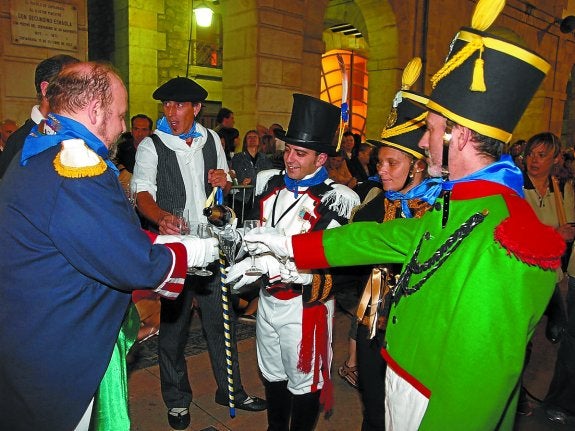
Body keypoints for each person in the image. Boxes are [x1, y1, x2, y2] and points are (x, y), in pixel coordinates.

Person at [243, 1, 565, 429]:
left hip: (431, 404)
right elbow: (380, 238)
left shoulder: (509, 236)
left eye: (430, 131)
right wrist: (287, 247)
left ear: (458, 136)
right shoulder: (463, 203)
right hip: (403, 385)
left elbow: (476, 387)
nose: (424, 142)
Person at [0, 62, 218, 431]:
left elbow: (94, 237)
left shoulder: (38, 147)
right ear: (95, 110)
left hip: (28, 335)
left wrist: (159, 241)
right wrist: (193, 252)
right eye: (119, 115)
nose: (121, 127)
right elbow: (134, 265)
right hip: (60, 350)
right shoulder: (77, 166)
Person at [131, 77, 266, 430]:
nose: (171, 112)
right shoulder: (152, 146)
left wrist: (225, 180)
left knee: (221, 322)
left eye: (178, 105)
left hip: (210, 246)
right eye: (167, 105)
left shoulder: (212, 140)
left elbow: (225, 183)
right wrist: (160, 217)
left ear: (196, 108)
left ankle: (231, 390)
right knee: (173, 329)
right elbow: (141, 193)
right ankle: (177, 399)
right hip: (177, 251)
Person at [227, 93, 360, 430]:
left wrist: (282, 267)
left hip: (305, 307)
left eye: (300, 153)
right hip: (267, 300)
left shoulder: (337, 199)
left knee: (304, 381)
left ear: (321, 158)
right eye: (288, 150)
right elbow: (253, 230)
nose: (289, 159)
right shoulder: (269, 183)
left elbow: (336, 264)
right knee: (272, 372)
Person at [337, 57, 442, 430]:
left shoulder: (440, 210)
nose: (381, 170)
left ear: (417, 165)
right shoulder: (373, 206)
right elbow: (346, 255)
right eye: (379, 162)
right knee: (373, 409)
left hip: (417, 329)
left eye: (391, 163)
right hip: (371, 323)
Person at [0, 54, 80, 179]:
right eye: (73, 86)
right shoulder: (21, 142)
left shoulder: (75, 134)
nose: (83, 95)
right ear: (46, 89)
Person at [230, 129, 273, 223]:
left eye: (255, 137)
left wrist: (252, 180)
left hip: (259, 197)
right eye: (249, 137)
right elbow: (240, 175)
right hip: (242, 198)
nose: (252, 139)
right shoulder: (238, 157)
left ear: (259, 141)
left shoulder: (265, 158)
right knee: (240, 223)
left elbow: (269, 175)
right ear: (245, 141)